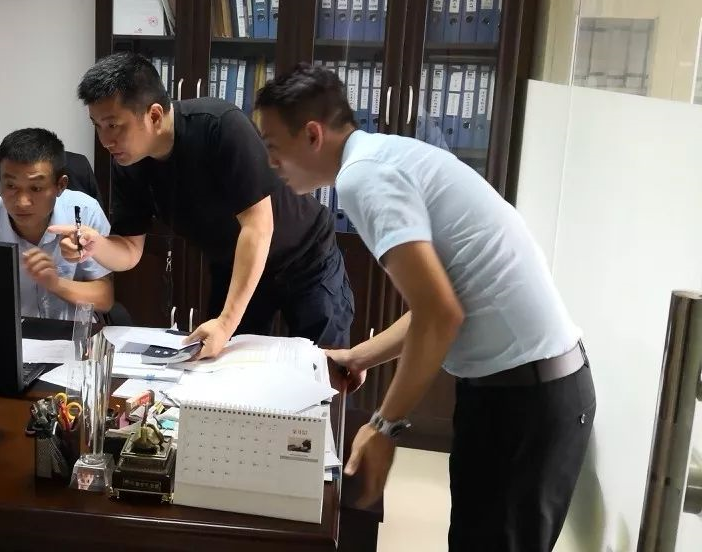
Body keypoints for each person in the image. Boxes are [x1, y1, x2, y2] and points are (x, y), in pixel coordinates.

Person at [254, 64, 595, 552]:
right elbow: (440, 301)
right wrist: (359, 356)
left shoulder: (364, 177)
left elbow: (441, 315)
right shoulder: (383, 155)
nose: (271, 163)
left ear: (312, 134)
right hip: (523, 390)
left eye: (272, 146)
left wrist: (384, 425)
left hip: (527, 399)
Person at [49, 52, 354, 358]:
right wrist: (96, 246)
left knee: (322, 364)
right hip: (235, 265)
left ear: (154, 115)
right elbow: (130, 249)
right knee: (222, 366)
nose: (105, 140)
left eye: (113, 125)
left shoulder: (219, 126)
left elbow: (258, 227)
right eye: (97, 126)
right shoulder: (129, 163)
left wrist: (226, 323)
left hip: (306, 258)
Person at [0, 128, 113, 319]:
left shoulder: (84, 212)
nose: (22, 202)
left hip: (70, 332)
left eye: (36, 188)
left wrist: (55, 283)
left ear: (60, 185)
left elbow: (105, 298)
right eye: (11, 186)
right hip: (1, 333)